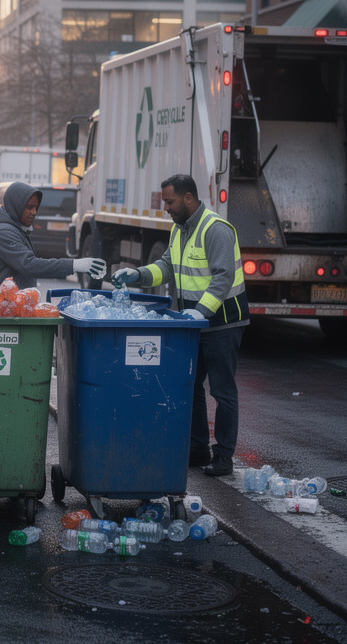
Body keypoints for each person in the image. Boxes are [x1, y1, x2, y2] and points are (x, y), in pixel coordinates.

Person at [111, 173, 248, 477]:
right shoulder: (179, 229)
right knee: (191, 385)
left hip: (223, 321)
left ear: (188, 198)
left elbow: (223, 277)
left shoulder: (215, 229)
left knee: (222, 390)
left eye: (170, 201)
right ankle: (197, 449)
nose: (166, 208)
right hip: (193, 322)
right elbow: (167, 267)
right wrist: (138, 274)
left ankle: (223, 456)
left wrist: (202, 312)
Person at [0, 181, 107, 288]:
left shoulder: (17, 228)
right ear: (15, 206)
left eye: (36, 207)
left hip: (15, 303)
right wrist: (74, 265)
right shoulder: (3, 232)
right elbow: (29, 265)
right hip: (2, 305)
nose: (34, 212)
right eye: (29, 207)